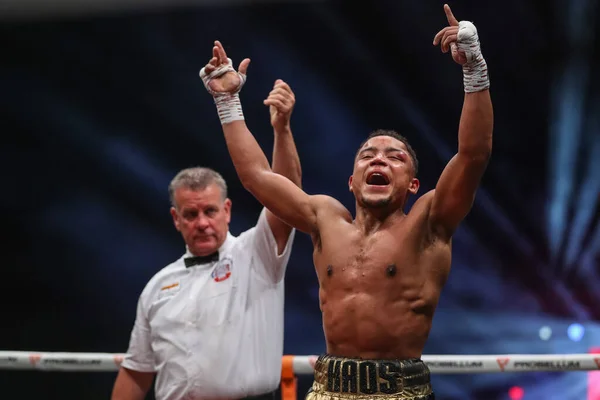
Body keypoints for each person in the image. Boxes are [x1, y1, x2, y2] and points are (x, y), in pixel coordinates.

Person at [199, 4, 492, 400]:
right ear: (352, 182)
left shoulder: (428, 222)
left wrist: (474, 68)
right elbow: (257, 177)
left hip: (400, 392)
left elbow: (472, 154)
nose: (379, 159)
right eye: (368, 155)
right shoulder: (324, 218)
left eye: (395, 157)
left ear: (412, 185)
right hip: (328, 389)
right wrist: (227, 103)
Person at [111, 78, 303, 400]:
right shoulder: (158, 286)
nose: (201, 223)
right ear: (176, 219)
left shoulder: (256, 254)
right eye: (190, 214)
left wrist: (281, 130)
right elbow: (136, 371)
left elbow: (286, 198)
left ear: (227, 211)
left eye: (210, 211)